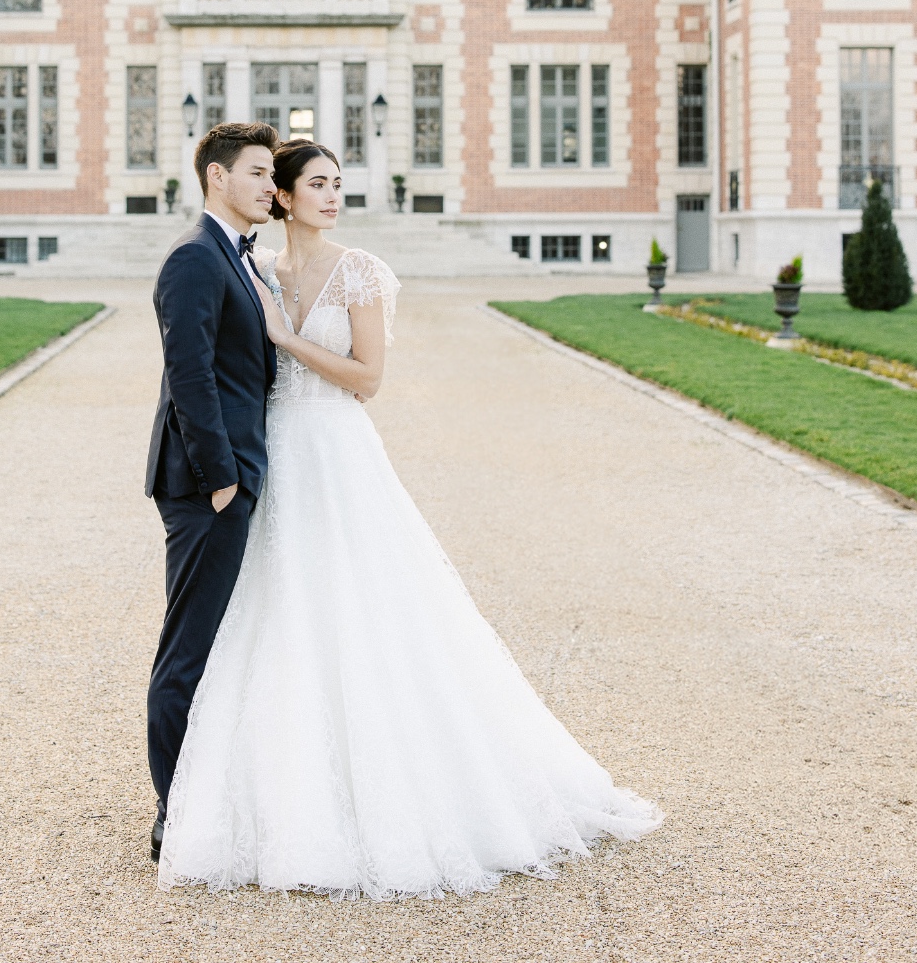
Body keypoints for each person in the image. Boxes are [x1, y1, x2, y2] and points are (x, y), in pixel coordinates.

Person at [157, 138, 662, 898]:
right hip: (274, 458)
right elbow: (209, 367)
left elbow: (368, 379)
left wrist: (288, 337)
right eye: (315, 184)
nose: (332, 196)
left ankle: (384, 789)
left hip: (337, 450)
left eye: (338, 184)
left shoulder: (357, 270)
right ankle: (253, 797)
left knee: (367, 612)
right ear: (284, 197)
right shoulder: (251, 266)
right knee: (277, 615)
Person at [145, 121, 280, 865]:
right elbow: (189, 376)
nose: (270, 185)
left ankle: (206, 798)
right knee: (188, 651)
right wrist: (222, 479)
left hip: (234, 481)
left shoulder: (239, 257)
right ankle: (174, 814)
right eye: (258, 172)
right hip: (207, 489)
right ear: (217, 177)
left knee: (223, 646)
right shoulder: (195, 258)